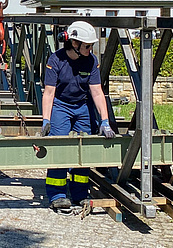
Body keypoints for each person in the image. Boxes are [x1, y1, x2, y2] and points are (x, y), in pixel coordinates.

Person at [41, 21, 116, 213]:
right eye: (88, 46)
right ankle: (57, 195)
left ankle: (80, 193)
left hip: (82, 106)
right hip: (61, 106)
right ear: (74, 43)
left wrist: (105, 121)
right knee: (60, 148)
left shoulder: (91, 61)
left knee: (84, 150)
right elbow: (49, 92)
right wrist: (46, 120)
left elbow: (97, 92)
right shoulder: (56, 60)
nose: (90, 49)